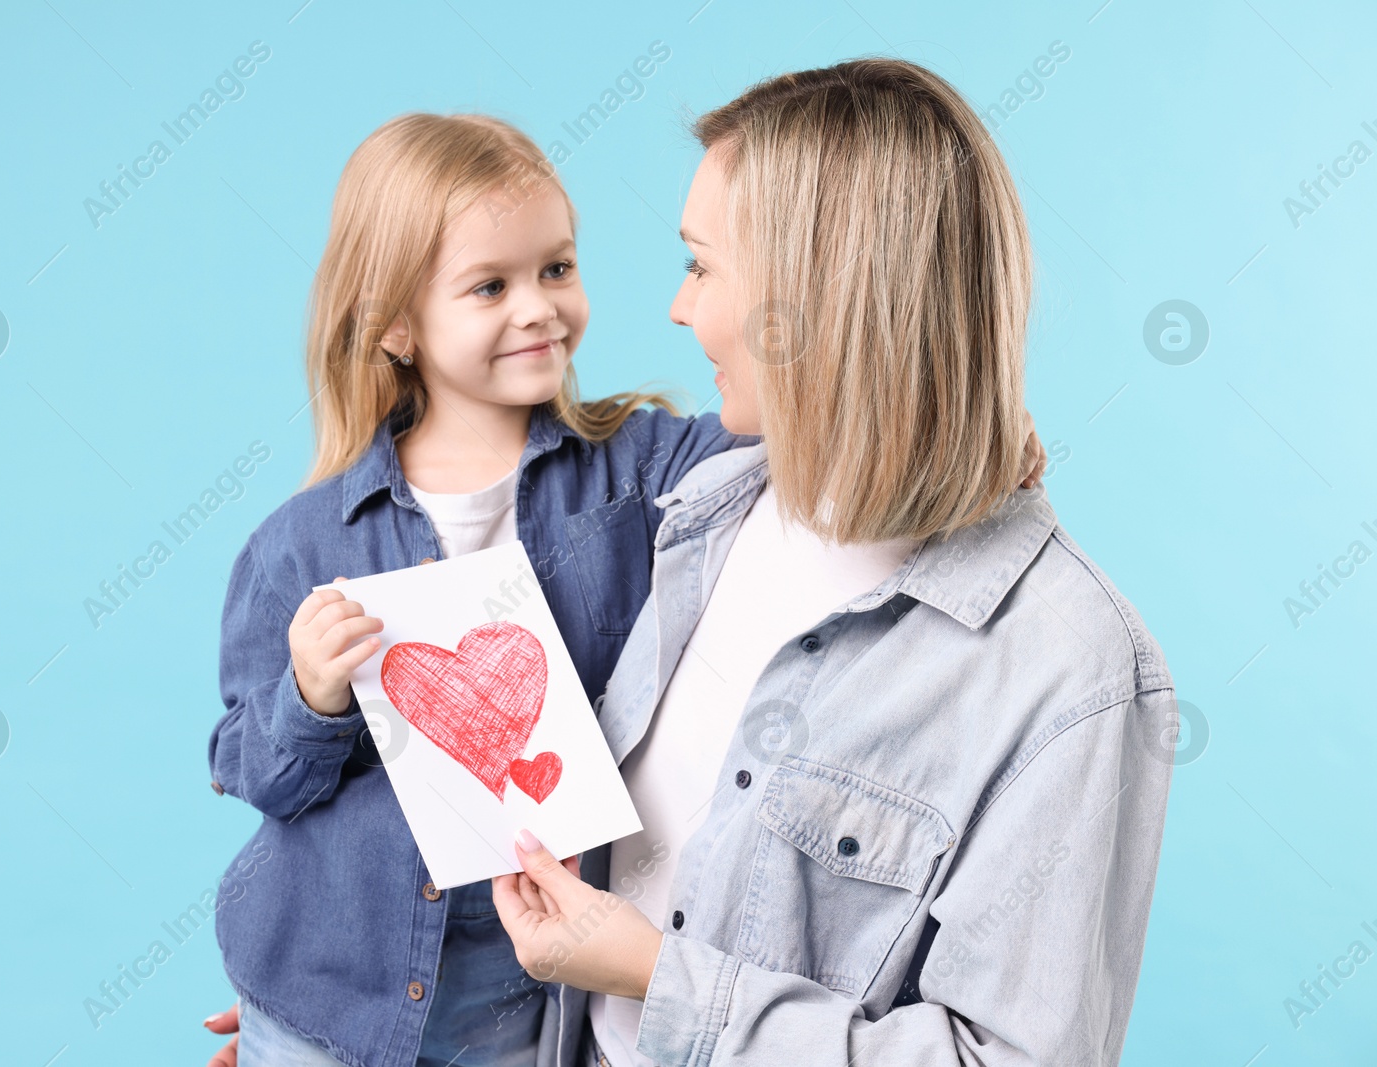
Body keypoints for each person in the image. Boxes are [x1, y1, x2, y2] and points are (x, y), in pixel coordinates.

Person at [491, 58, 1175, 1067]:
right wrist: (341, 1010)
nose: (680, 311)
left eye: (702, 265)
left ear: (812, 299)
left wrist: (663, 982)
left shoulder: (1069, 671)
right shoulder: (699, 517)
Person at [201, 110, 750, 1067]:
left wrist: (971, 434)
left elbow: (798, 440)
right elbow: (249, 770)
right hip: (322, 994)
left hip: (512, 1001)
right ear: (398, 326)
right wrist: (311, 698)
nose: (538, 307)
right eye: (490, 285)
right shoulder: (301, 544)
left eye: (557, 268)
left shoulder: (639, 469)